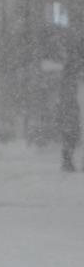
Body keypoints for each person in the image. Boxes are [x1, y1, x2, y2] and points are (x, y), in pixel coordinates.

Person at [59, 36, 82, 172]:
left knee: (70, 133)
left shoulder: (70, 69)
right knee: (71, 133)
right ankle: (68, 161)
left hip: (71, 107)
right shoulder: (72, 69)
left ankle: (67, 161)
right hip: (72, 107)